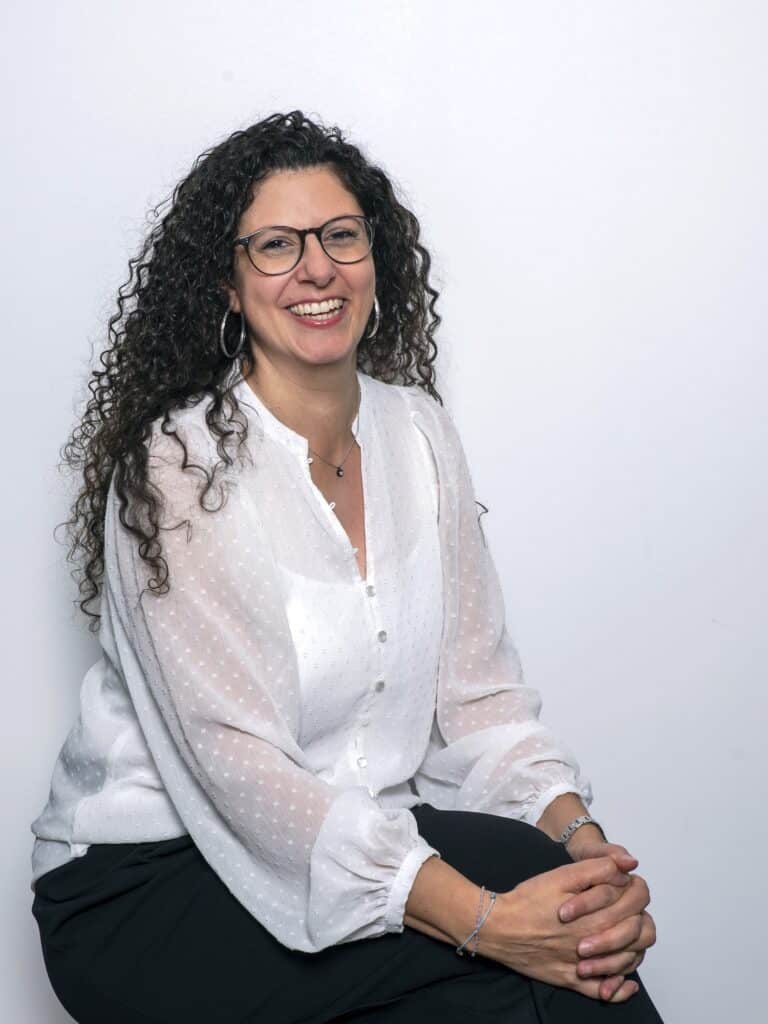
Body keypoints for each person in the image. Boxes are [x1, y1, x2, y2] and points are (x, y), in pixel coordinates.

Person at [30, 110, 663, 1023]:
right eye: (276, 245)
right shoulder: (178, 467)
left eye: (340, 236)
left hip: (354, 848)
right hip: (148, 882)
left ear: (376, 256)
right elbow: (240, 769)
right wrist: (487, 922)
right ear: (227, 283)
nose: (317, 268)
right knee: (541, 954)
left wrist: (585, 851)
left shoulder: (421, 436)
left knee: (569, 937)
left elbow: (478, 700)